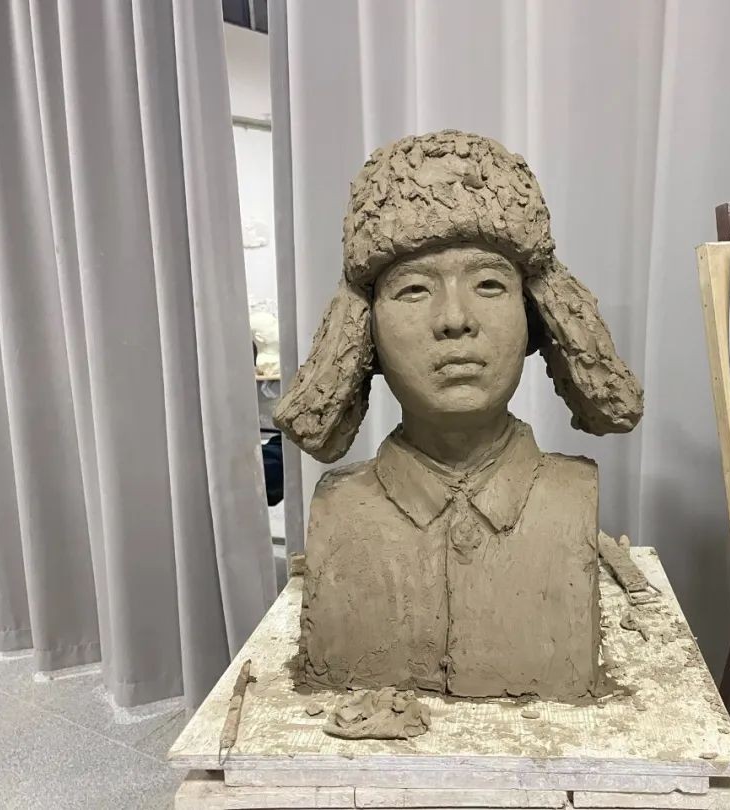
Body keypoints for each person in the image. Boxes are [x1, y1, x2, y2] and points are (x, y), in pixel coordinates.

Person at [274, 130, 643, 700]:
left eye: (489, 284)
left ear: (536, 318)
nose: (454, 319)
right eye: (413, 290)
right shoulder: (339, 514)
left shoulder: (572, 496)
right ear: (365, 332)